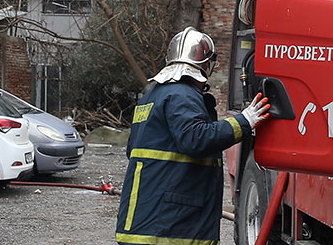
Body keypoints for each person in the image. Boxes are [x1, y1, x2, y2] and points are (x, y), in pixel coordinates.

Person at [116, 27, 270, 245]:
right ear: (206, 65)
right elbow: (195, 138)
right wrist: (245, 120)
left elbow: (132, 149)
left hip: (142, 220)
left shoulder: (151, 97)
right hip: (170, 225)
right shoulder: (182, 95)